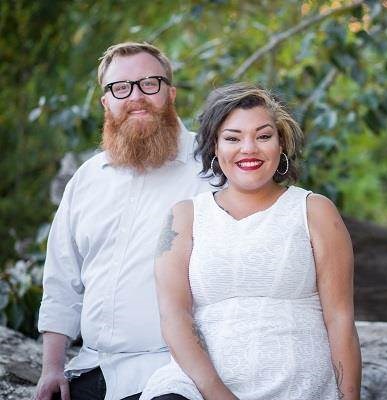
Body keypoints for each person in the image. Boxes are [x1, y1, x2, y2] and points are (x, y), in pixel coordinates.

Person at [140, 83, 362, 400]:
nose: (249, 149)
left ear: (281, 143)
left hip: (297, 385)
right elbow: (173, 316)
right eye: (232, 138)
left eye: (263, 136)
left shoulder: (315, 211)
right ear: (214, 147)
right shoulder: (184, 217)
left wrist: (350, 397)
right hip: (199, 388)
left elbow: (340, 318)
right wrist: (219, 395)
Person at [35, 42, 213, 400]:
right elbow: (61, 282)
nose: (136, 96)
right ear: (106, 102)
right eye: (121, 87)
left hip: (176, 375)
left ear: (171, 93)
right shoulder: (86, 179)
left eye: (150, 83)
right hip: (91, 369)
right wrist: (52, 368)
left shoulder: (210, 170)